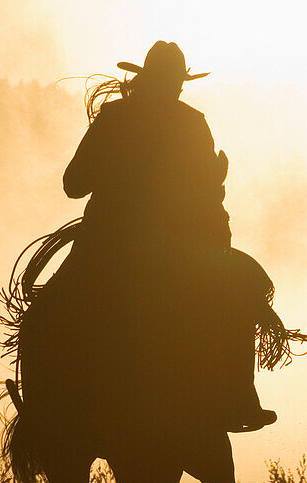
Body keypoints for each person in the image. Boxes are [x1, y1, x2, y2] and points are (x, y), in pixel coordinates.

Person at [57, 41, 276, 432]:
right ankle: (240, 399)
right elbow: (210, 193)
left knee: (55, 310)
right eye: (173, 82)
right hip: (176, 248)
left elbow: (74, 184)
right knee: (237, 297)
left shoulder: (114, 117)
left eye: (175, 83)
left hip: (106, 244)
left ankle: (50, 403)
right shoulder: (192, 123)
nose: (174, 90)